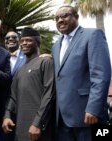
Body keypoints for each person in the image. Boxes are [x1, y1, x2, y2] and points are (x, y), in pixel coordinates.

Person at [52, 5, 111, 141]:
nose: (60, 20)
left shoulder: (93, 35)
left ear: (76, 17)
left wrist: (93, 108)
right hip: (62, 118)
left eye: (64, 16)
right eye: (56, 18)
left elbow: (101, 75)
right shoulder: (56, 46)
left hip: (88, 115)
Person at [2, 27, 55, 141]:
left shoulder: (45, 62)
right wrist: (7, 116)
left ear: (37, 42)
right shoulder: (20, 70)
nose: (24, 43)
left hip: (39, 128)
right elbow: (13, 96)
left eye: (29, 40)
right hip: (20, 127)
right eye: (22, 41)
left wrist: (38, 123)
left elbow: (49, 94)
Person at [0, 31, 26, 141]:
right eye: (7, 37)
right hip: (2, 105)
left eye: (14, 37)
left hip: (21, 105)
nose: (10, 39)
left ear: (19, 39)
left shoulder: (28, 56)